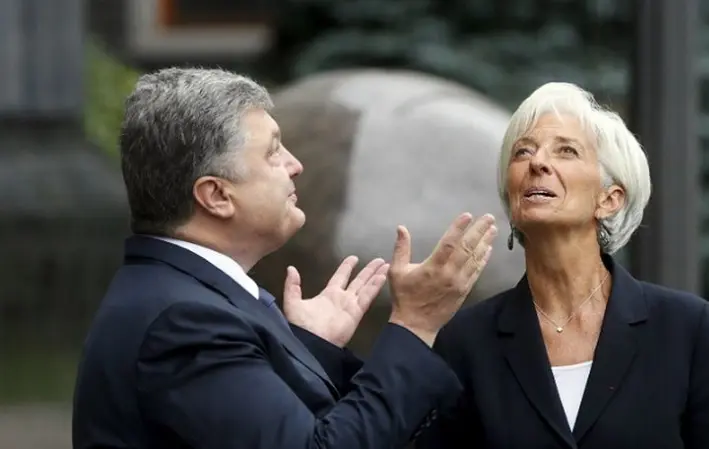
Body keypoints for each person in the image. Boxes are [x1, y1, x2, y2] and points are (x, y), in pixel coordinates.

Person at [71, 67, 498, 449]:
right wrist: (416, 324)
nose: (295, 165)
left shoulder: (183, 298)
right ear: (216, 195)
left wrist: (309, 350)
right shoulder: (184, 323)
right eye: (273, 152)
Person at [416, 82, 709, 449]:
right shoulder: (465, 340)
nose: (537, 162)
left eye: (566, 151)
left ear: (609, 199)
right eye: (523, 151)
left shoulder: (688, 329)